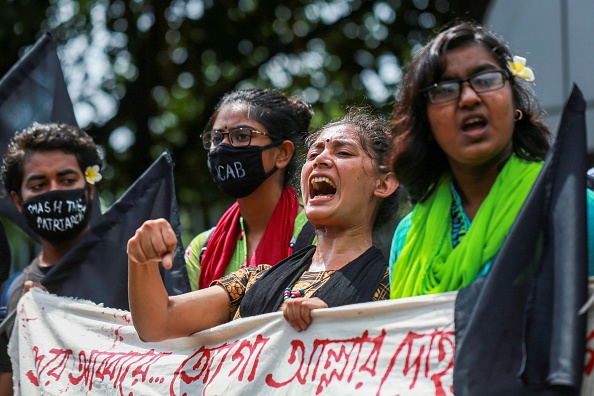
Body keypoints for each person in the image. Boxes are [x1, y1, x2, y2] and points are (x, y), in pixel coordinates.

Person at [127, 108, 399, 339]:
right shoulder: (255, 280)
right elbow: (158, 323)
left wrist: (338, 325)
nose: (320, 160)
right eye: (313, 154)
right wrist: (141, 260)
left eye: (344, 153)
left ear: (384, 183)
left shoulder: (394, 289)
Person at [388, 21, 594, 299]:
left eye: (485, 80)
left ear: (514, 103)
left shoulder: (573, 208)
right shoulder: (407, 237)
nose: (469, 98)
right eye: (446, 89)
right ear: (427, 124)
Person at [0, 122, 103, 394]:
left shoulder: (135, 269)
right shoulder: (11, 296)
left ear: (89, 189)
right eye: (38, 184)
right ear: (19, 201)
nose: (54, 192)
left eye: (67, 181)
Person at [184, 88, 315, 291]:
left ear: (282, 153)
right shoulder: (202, 248)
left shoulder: (317, 236)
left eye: (242, 136)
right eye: (217, 138)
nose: (223, 148)